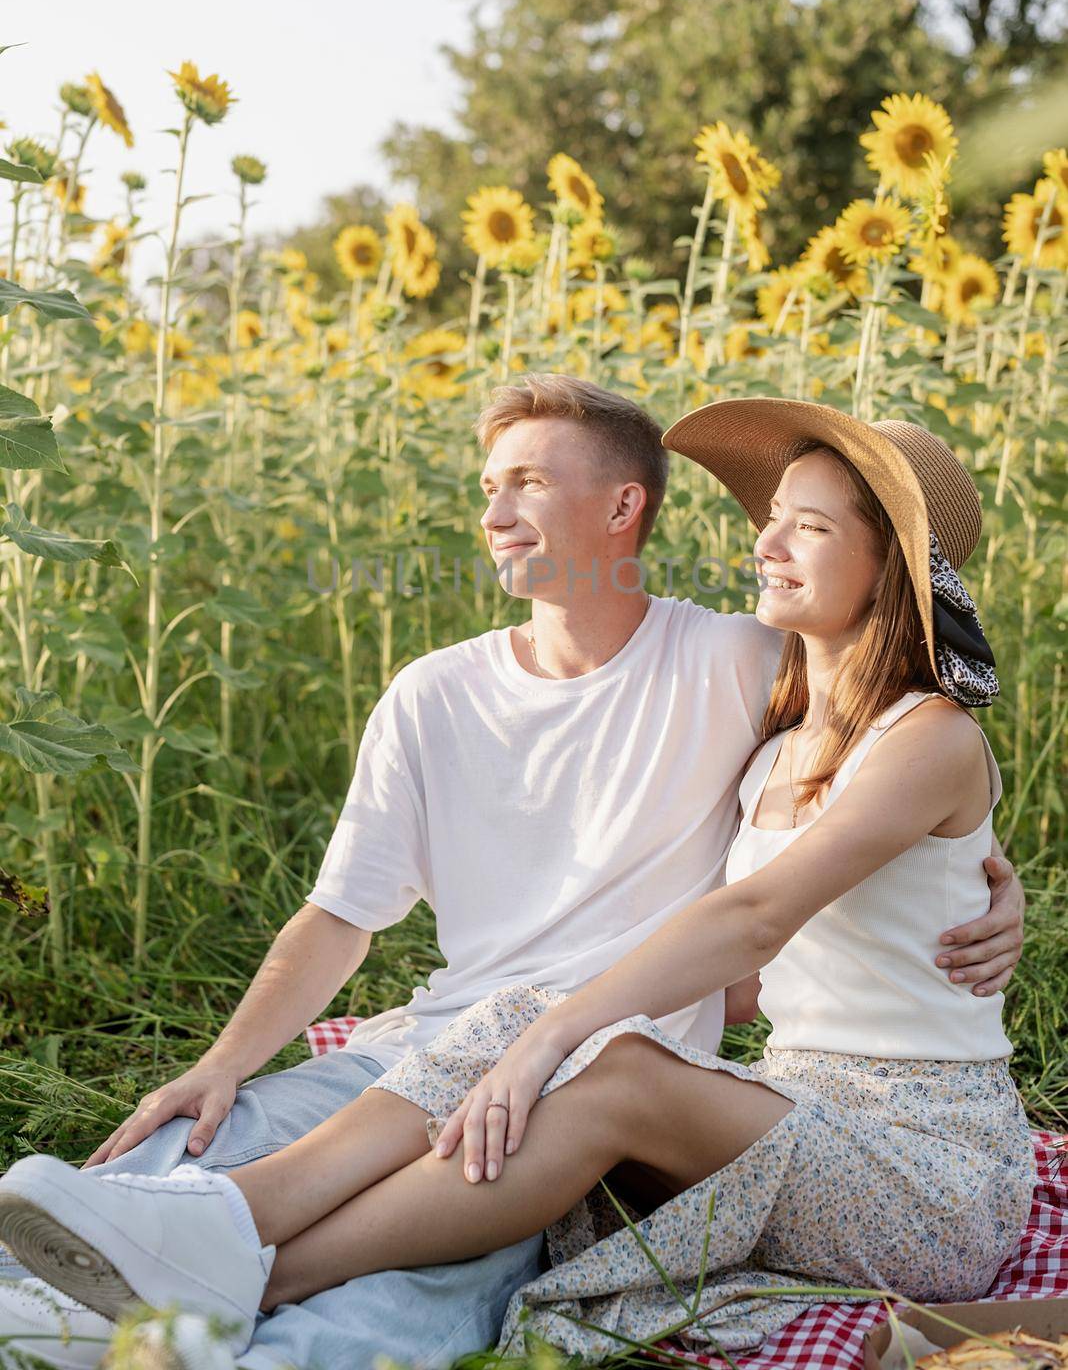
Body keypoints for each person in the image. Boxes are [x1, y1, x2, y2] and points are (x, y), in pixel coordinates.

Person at [0, 386, 1026, 1370]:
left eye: (806, 526)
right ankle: (196, 1249)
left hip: (921, 1162)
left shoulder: (868, 714)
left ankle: (240, 1268)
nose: (761, 542)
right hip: (774, 1099)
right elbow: (840, 916)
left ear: (891, 561)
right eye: (774, 518)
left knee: (581, 1059)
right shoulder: (779, 733)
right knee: (488, 1033)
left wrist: (558, 1032)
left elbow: (767, 906)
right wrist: (972, 882)